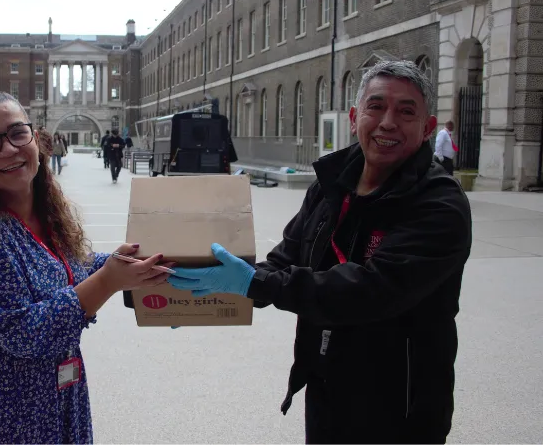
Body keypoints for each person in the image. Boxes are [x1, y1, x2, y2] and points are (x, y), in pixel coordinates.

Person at [168, 61, 472, 443]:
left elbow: (370, 290)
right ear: (353, 116)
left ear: (428, 128)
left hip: (400, 406)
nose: (388, 121)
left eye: (406, 111)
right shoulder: (332, 185)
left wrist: (254, 283)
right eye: (375, 107)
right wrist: (205, 297)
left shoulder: (440, 204)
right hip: (326, 386)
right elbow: (285, 260)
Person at [0, 91, 171, 443]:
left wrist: (130, 264)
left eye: (16, 133)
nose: (8, 149)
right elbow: (22, 331)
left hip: (55, 394)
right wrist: (109, 280)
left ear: (35, 139)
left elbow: (70, 269)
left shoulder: (44, 213)